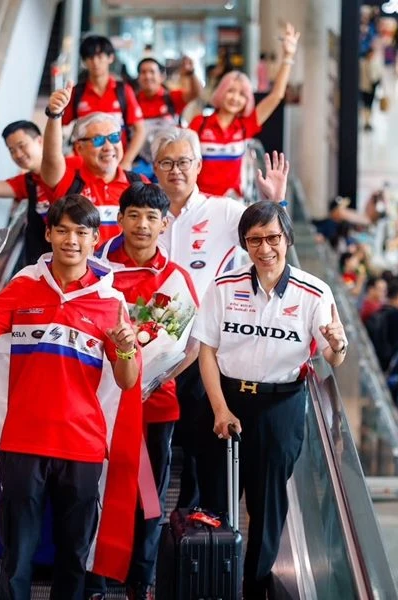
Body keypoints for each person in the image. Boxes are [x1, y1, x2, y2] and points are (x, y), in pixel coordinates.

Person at [0, 195, 142, 600]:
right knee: (16, 558)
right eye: (63, 230)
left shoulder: (110, 302)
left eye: (81, 232)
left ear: (94, 239)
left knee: (73, 557)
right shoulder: (23, 286)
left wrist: (126, 348)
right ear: (49, 234)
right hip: (23, 441)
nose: (71, 240)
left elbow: (127, 382)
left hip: (83, 446)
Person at [192, 201, 347, 598]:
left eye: (273, 238)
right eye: (254, 240)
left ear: (287, 238)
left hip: (281, 407)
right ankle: (214, 583)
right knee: (215, 500)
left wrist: (338, 345)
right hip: (226, 400)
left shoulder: (314, 292)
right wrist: (220, 408)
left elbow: (332, 356)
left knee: (267, 507)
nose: (265, 248)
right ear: (244, 243)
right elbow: (207, 350)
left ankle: (254, 586)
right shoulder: (223, 287)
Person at [150, 126, 288, 508]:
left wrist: (276, 202)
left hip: (203, 348)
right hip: (151, 348)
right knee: (155, 439)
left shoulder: (223, 211)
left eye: (183, 161)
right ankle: (152, 514)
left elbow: (269, 238)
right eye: (166, 163)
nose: (176, 170)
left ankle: (195, 514)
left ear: (198, 165)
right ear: (154, 168)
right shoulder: (147, 216)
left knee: (202, 442)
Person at [92, 183, 200, 599]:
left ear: (164, 224)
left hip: (156, 404)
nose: (142, 224)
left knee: (149, 496)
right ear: (119, 219)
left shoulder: (176, 278)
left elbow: (191, 346)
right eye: (133, 215)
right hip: (99, 404)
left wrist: (153, 380)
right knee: (99, 489)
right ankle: (97, 576)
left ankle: (142, 577)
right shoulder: (96, 271)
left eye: (152, 217)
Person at [187, 24, 300, 198]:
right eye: (230, 91)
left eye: (242, 94)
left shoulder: (245, 125)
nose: (235, 98)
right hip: (200, 201)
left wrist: (288, 56)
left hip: (233, 202)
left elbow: (276, 96)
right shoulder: (199, 123)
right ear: (221, 92)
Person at [43, 86, 149, 242]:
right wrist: (55, 115)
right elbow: (51, 158)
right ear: (79, 148)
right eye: (98, 140)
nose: (108, 146)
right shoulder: (67, 181)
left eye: (114, 137)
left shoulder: (139, 184)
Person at [0, 118, 78, 264]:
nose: (18, 154)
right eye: (12, 150)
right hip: (47, 263)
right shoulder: (28, 182)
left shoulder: (75, 167)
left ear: (40, 141)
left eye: (22, 146)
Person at [63, 35, 146, 170]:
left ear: (110, 58)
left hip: (117, 163)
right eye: (90, 58)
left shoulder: (123, 91)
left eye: (100, 56)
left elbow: (140, 130)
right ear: (84, 61)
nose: (95, 62)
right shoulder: (76, 93)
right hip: (83, 165)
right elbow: (59, 125)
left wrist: (127, 161)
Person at [133, 57, 203, 178]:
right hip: (142, 164)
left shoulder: (171, 98)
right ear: (139, 78)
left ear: (161, 76)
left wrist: (191, 73)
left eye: (152, 72)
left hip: (170, 163)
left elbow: (195, 93)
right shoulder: (132, 101)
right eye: (143, 72)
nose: (148, 76)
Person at [359, 47, 381, 132]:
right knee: (366, 104)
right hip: (366, 87)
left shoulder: (372, 63)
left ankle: (368, 122)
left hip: (370, 87)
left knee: (369, 105)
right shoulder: (364, 63)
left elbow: (378, 74)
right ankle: (366, 122)